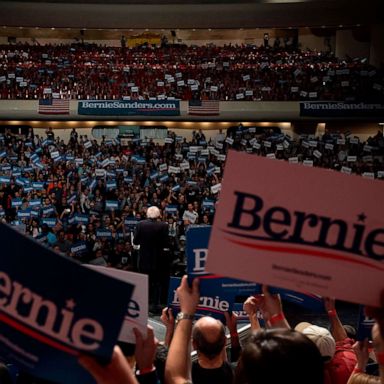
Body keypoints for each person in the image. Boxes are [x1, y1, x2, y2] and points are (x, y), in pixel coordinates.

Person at [133, 206, 169, 312]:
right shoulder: (164, 225)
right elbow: (165, 243)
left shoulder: (140, 224)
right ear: (158, 215)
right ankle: (155, 305)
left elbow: (135, 242)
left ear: (147, 214)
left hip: (144, 259)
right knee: (157, 283)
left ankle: (143, 305)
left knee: (144, 282)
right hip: (158, 260)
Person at [191, 316, 234, 384]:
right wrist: (233, 330)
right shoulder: (235, 374)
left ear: (194, 344)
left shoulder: (186, 376)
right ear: (225, 341)